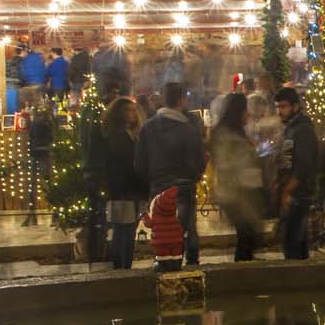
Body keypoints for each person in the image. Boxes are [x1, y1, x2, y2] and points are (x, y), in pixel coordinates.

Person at [134, 81, 205, 267]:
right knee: (187, 228)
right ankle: (191, 265)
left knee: (162, 229)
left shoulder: (148, 128)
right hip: (183, 186)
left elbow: (140, 162)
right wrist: (195, 175)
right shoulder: (189, 130)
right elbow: (197, 162)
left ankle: (164, 262)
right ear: (181, 100)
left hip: (158, 186)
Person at [212, 93, 266, 262]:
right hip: (236, 194)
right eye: (246, 111)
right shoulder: (227, 137)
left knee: (248, 235)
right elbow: (229, 165)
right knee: (247, 234)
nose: (248, 115)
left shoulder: (236, 134)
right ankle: (242, 272)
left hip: (242, 192)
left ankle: (244, 267)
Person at [273, 87, 319, 260]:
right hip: (291, 192)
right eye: (277, 107)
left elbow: (303, 164)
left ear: (295, 106)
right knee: (292, 239)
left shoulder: (303, 130)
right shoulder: (290, 128)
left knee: (294, 240)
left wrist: (288, 190)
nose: (279, 111)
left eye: (283, 107)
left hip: (298, 194)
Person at [102, 96, 145, 269]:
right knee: (122, 234)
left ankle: (125, 266)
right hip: (122, 191)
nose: (132, 114)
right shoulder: (116, 136)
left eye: (134, 110)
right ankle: (121, 268)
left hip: (132, 190)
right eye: (128, 110)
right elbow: (122, 163)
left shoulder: (132, 135)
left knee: (128, 232)